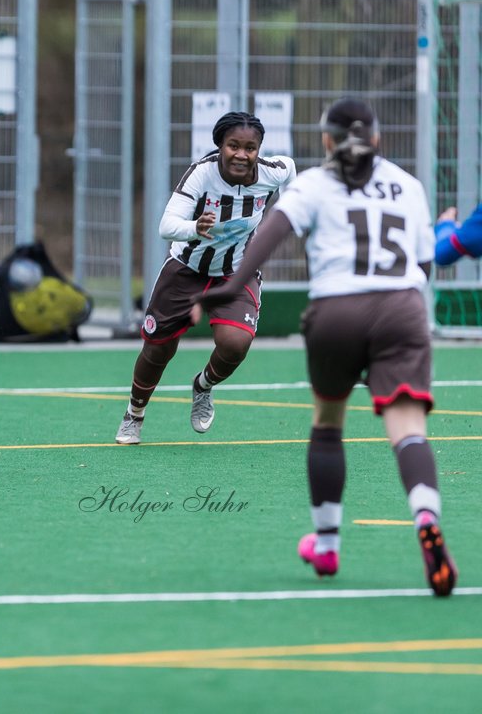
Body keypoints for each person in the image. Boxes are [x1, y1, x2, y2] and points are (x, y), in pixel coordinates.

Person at [194, 97, 456, 597]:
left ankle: (328, 543)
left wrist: (227, 290)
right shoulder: (409, 185)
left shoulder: (313, 184)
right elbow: (424, 266)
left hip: (337, 312)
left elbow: (264, 241)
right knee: (408, 430)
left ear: (327, 141)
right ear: (376, 139)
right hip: (403, 308)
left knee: (328, 423)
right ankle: (425, 516)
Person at [115, 111, 297, 444]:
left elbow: (291, 172)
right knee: (158, 351)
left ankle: (203, 386)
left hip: (235, 272)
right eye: (233, 146)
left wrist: (289, 211)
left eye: (250, 148)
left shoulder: (273, 172)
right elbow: (166, 227)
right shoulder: (202, 174)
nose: (241, 154)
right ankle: (134, 414)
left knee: (235, 343)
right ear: (220, 145)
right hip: (186, 270)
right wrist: (194, 229)